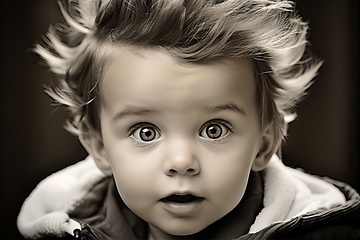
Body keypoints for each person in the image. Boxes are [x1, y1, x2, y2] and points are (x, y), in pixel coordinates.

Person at [17, 0, 360, 239]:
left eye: (214, 129)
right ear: (99, 146)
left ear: (265, 143)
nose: (181, 162)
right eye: (146, 131)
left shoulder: (324, 233)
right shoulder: (63, 226)